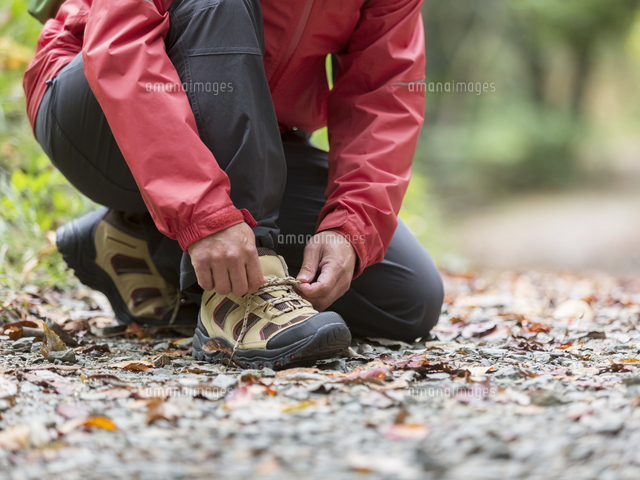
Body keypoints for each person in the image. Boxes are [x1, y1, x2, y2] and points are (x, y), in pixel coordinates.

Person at [23, 0, 444, 370]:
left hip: (256, 139)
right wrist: (203, 214)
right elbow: (121, 45)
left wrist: (350, 227)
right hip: (95, 106)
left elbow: (383, 92)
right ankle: (239, 297)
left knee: (405, 298)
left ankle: (138, 242)